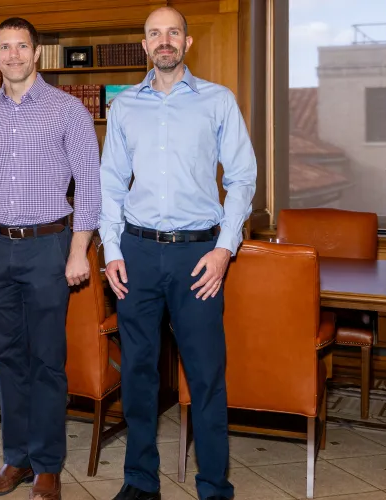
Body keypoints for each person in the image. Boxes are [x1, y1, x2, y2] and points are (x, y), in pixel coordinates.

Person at [99, 6, 257, 500]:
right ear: (144, 45)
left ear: (188, 43)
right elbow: (110, 185)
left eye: (173, 33)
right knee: (140, 375)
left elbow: (242, 178)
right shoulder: (124, 106)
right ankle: (140, 482)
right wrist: (110, 249)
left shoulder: (218, 101)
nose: (163, 41)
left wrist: (225, 249)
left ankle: (214, 485)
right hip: (137, 255)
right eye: (154, 34)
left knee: (206, 376)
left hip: (199, 258)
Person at [0, 17, 101, 500]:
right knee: (5, 358)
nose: (13, 55)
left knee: (46, 361)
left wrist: (79, 250)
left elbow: (90, 184)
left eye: (22, 46)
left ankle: (47, 465)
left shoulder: (68, 110)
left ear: (36, 53)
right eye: (4, 47)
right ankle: (15, 459)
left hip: (48, 247)